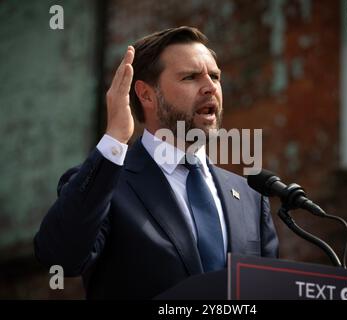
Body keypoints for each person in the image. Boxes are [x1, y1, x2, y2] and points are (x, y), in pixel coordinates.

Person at [34, 26, 278, 299]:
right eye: (190, 77)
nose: (211, 87)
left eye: (215, 76)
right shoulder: (106, 185)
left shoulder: (251, 197)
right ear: (147, 95)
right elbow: (60, 256)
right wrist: (115, 139)